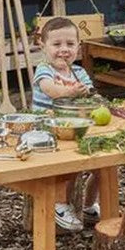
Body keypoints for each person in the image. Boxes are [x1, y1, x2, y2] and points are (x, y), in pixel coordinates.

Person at [32, 17, 100, 232]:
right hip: (48, 131)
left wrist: (90, 94)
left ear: (78, 47)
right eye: (57, 44)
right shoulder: (44, 70)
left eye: (70, 44)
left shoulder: (79, 72)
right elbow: (51, 90)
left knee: (102, 165)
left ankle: (89, 205)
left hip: (76, 128)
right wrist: (70, 91)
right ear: (43, 46)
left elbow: (90, 93)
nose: (64, 49)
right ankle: (60, 205)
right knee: (66, 166)